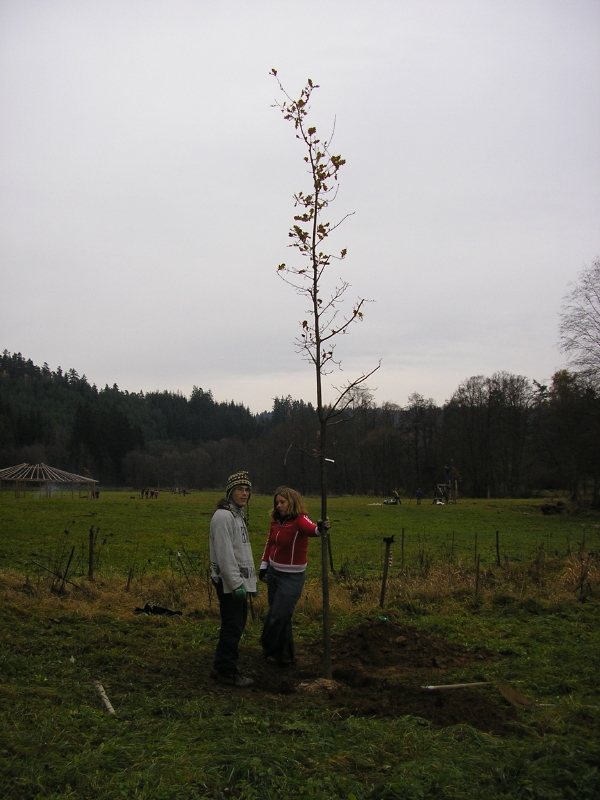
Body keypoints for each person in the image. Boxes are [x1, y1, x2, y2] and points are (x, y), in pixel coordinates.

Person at [259, 487, 330, 666]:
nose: (279, 506)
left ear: (292, 502)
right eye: (277, 503)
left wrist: (320, 528)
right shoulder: (275, 521)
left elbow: (311, 529)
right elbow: (270, 542)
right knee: (280, 615)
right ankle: (284, 655)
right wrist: (264, 565)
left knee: (278, 615)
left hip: (292, 577)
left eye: (283, 502)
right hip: (274, 573)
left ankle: (267, 644)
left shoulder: (299, 519)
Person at [209, 471, 257, 687]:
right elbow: (225, 554)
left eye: (247, 490)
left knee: (235, 624)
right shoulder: (223, 517)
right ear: (230, 492)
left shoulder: (237, 515)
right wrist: (236, 584)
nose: (244, 493)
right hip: (230, 583)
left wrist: (250, 583)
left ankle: (220, 666)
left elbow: (242, 552)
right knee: (233, 626)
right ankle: (227, 671)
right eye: (240, 489)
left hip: (237, 582)